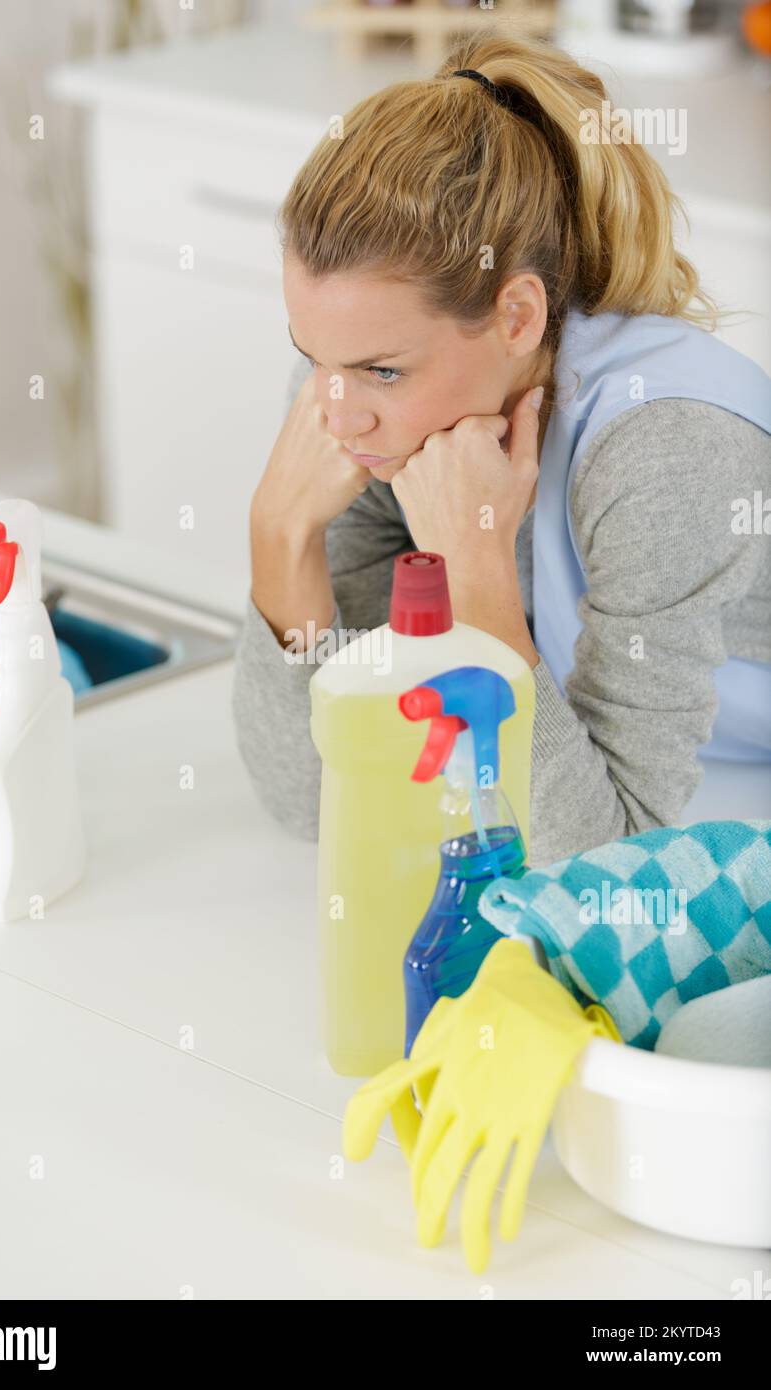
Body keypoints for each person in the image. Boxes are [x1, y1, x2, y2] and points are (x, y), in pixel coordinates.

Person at [231, 33, 771, 866]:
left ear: (518, 318)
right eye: (313, 356)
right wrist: (279, 537)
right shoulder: (370, 413)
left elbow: (599, 862)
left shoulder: (667, 450)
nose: (337, 415)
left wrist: (476, 569)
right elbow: (319, 799)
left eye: (380, 369)